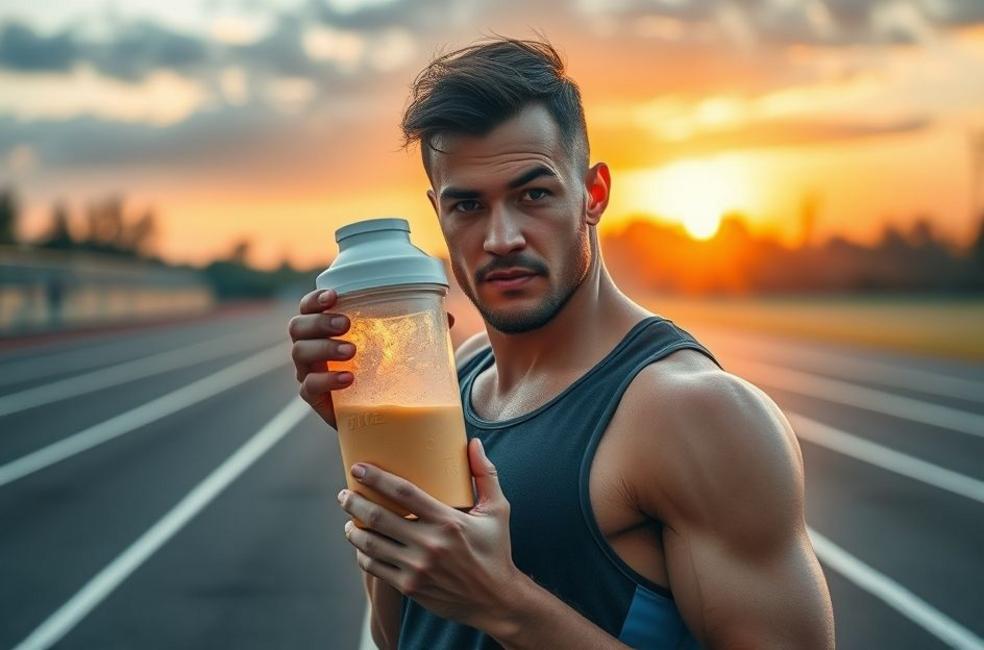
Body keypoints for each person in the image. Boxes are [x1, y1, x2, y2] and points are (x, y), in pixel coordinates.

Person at [288, 37, 834, 650]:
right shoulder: (458, 376)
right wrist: (374, 438)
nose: (501, 237)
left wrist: (506, 604)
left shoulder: (697, 413)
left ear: (593, 194)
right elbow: (409, 637)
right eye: (467, 204)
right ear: (438, 213)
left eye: (534, 194)